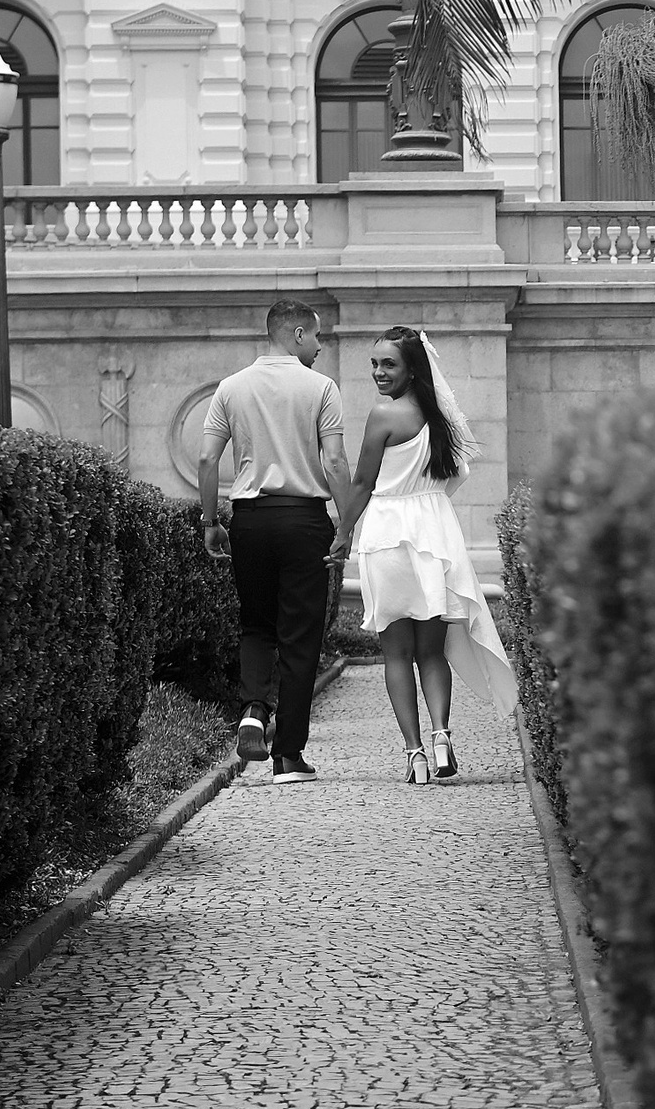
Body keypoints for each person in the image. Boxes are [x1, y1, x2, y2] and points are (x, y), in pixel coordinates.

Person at [332, 327, 517, 784]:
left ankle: (415, 755)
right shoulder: (442, 418)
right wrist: (428, 500)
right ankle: (442, 736)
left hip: (389, 535)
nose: (378, 372)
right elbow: (458, 474)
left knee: (397, 653)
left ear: (412, 369)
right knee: (432, 651)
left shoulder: (384, 415)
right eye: (374, 364)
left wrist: (342, 533)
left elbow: (362, 483)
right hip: (435, 532)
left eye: (388, 364)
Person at [199, 299, 355, 784]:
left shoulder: (231, 387)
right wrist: (346, 526)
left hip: (250, 520)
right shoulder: (321, 388)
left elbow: (207, 460)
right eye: (317, 336)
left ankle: (252, 710)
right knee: (300, 637)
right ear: (297, 334)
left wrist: (211, 521)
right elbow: (334, 462)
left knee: (256, 624)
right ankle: (288, 756)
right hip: (304, 520)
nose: (320, 346)